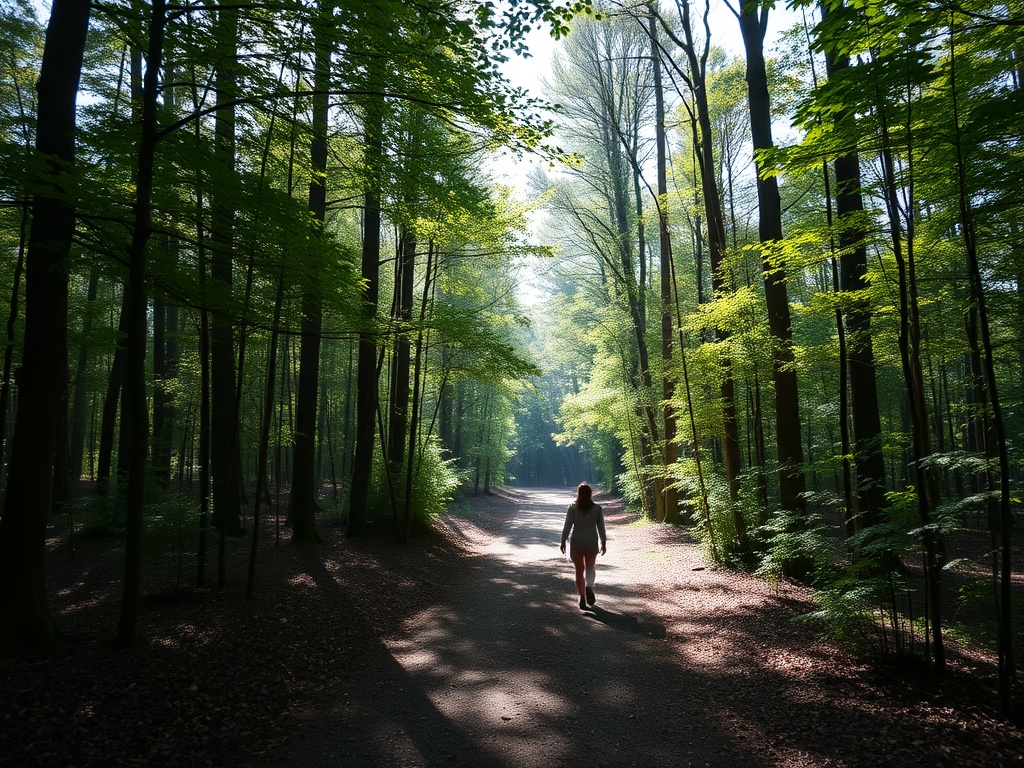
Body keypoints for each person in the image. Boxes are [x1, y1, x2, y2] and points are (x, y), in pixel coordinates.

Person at [559, 482, 606, 610]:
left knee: (579, 571)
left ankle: (582, 598)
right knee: (590, 567)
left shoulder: (573, 508)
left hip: (577, 542)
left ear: (578, 493)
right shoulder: (597, 509)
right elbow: (601, 528)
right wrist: (603, 542)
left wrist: (563, 541)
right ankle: (589, 586)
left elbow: (567, 527)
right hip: (591, 542)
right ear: (590, 494)